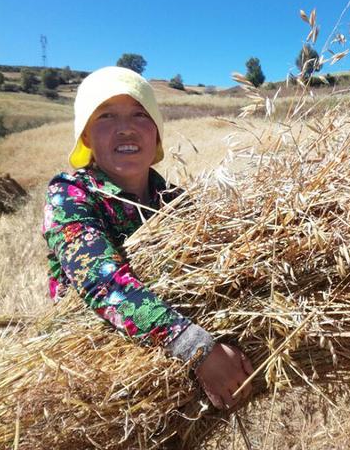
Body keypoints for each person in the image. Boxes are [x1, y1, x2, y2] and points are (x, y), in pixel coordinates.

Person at [42, 66, 253, 412]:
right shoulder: (71, 194)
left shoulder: (175, 200)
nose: (125, 126)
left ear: (156, 133)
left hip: (167, 370)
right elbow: (101, 282)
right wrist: (196, 348)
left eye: (139, 114)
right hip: (100, 377)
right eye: (106, 115)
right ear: (85, 138)